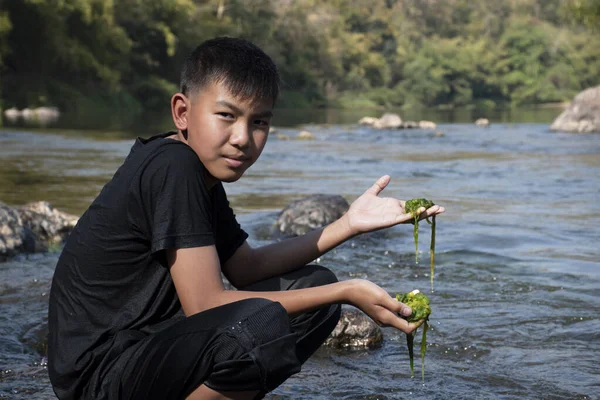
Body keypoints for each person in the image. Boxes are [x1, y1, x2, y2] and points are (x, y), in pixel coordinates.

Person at [47, 37, 445, 400]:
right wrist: (347, 291)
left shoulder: (199, 173)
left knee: (314, 290)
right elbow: (205, 305)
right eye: (226, 115)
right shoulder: (173, 167)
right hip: (97, 376)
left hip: (138, 350)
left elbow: (246, 267)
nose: (243, 137)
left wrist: (348, 224)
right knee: (262, 325)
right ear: (182, 111)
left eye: (259, 122)